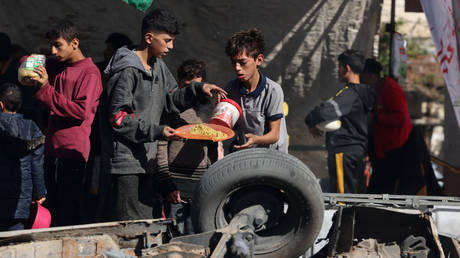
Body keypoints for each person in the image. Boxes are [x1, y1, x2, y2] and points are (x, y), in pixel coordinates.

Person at [99, 8, 226, 221]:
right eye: (167, 41)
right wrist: (157, 131)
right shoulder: (127, 70)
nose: (171, 47)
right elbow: (118, 118)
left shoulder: (158, 66)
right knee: (130, 225)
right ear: (149, 38)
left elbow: (171, 98)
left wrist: (197, 90)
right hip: (126, 164)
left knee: (148, 223)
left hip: (147, 162)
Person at [30, 20, 103, 226]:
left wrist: (46, 89)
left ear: (75, 43)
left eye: (58, 45)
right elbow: (31, 63)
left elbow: (80, 111)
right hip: (51, 150)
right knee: (49, 210)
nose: (53, 51)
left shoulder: (89, 73)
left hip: (72, 152)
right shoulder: (58, 66)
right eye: (51, 46)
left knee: (68, 213)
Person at [361, 59, 442, 195]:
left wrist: (376, 118)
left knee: (386, 187)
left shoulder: (390, 88)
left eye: (363, 77)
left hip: (395, 148)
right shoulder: (378, 89)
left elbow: (401, 118)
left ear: (371, 76)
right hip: (383, 148)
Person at [156, 59, 218, 235]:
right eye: (188, 86)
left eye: (198, 86)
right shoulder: (172, 108)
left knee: (197, 235)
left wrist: (212, 177)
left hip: (200, 186)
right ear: (179, 83)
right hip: (175, 186)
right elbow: (161, 145)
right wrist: (166, 182)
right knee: (174, 235)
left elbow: (213, 146)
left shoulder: (208, 109)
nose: (194, 92)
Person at [305, 49, 375, 194]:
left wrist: (310, 120)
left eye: (339, 67)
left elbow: (324, 111)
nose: (338, 71)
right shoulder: (367, 93)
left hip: (344, 151)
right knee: (353, 198)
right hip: (359, 151)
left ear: (347, 68)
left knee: (341, 199)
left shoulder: (349, 94)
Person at [224, 28, 288, 153]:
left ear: (259, 60)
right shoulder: (231, 88)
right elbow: (231, 126)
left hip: (273, 157)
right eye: (233, 63)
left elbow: (274, 135)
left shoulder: (273, 90)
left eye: (242, 62)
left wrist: (256, 139)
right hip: (246, 154)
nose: (237, 68)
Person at [0, 83, 46, 231]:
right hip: (20, 199)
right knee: (15, 244)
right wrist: (40, 192)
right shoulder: (32, 128)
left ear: (0, 104)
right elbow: (37, 166)